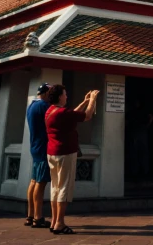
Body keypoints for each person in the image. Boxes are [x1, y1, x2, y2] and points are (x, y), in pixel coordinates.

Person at [45, 84, 99, 235]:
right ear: (60, 96)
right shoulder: (61, 113)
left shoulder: (51, 111)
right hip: (65, 153)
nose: (66, 96)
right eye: (65, 94)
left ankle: (55, 221)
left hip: (53, 153)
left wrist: (84, 101)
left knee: (55, 188)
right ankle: (60, 223)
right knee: (63, 189)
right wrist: (93, 100)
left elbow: (72, 114)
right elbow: (87, 116)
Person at [25, 82, 51, 228]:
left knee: (34, 181)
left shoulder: (32, 105)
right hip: (43, 147)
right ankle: (38, 217)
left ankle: (30, 215)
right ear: (47, 94)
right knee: (40, 183)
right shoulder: (43, 106)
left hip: (35, 146)